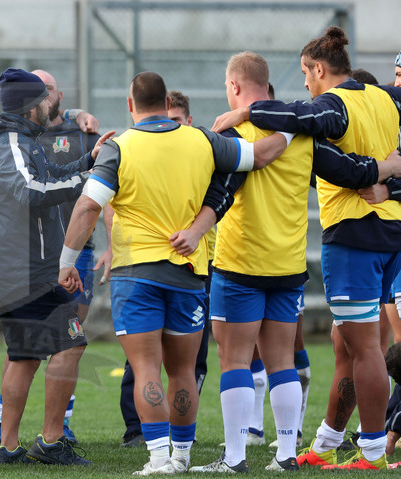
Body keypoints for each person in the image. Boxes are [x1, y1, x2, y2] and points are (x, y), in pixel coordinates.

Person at [58, 70, 297, 475]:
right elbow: (261, 155)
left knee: (146, 367)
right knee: (184, 369)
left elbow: (87, 207)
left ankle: (158, 459)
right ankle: (183, 456)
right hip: (189, 271)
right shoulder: (202, 139)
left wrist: (67, 261)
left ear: (131, 105)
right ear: (168, 104)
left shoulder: (120, 147)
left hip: (136, 273)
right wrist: (294, 128)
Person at [212, 26, 401, 470]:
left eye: (305, 74)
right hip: (392, 233)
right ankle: (327, 440)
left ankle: (372, 451)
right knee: (344, 345)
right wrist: (391, 181)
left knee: (366, 347)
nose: (304, 84)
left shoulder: (333, 104)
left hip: (355, 235)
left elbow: (303, 118)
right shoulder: (387, 98)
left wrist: (247, 114)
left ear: (319, 69)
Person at [0, 67, 108, 466]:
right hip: (28, 270)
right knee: (72, 344)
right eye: (44, 101)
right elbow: (31, 191)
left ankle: (8, 446)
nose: (50, 106)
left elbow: (47, 175)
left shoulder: (16, 139)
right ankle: (51, 442)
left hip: (17, 268)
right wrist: (89, 179)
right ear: (31, 107)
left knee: (24, 357)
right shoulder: (12, 142)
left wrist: (88, 159)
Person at [117, 89, 214, 449]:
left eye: (176, 121)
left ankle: (161, 455)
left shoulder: (199, 146)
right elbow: (245, 169)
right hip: (187, 270)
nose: (167, 127)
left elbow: (93, 201)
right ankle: (160, 443)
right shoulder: (207, 145)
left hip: (171, 267)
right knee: (173, 367)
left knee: (155, 366)